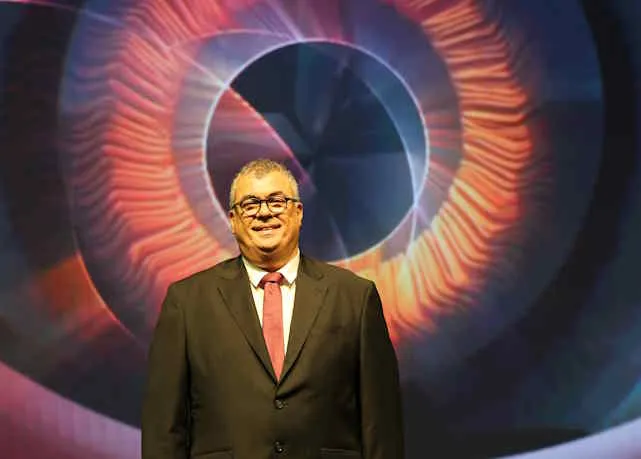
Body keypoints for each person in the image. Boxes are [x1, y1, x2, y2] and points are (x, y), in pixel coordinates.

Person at [141, 159, 404, 459]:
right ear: (233, 220)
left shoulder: (355, 297)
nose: (264, 212)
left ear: (298, 212)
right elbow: (163, 429)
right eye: (250, 204)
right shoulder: (187, 302)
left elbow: (381, 427)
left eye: (277, 202)